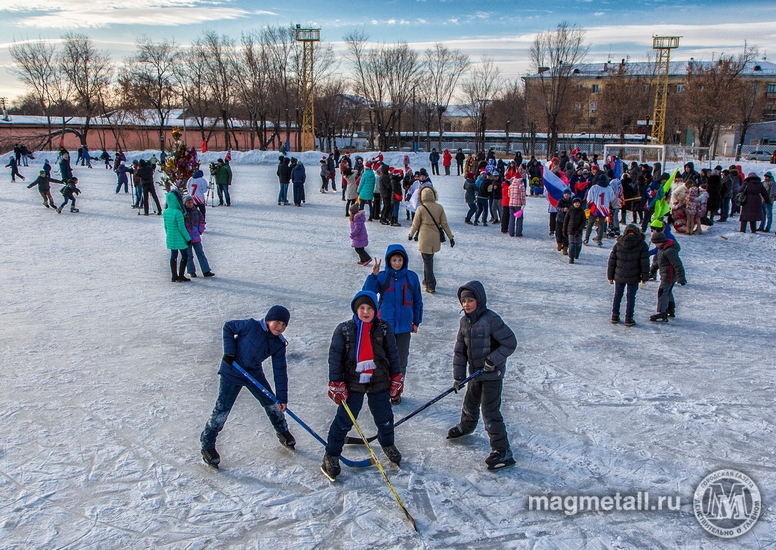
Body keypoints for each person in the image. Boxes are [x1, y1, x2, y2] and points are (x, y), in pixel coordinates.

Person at [321, 291, 403, 481]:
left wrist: (397, 376)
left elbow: (392, 353)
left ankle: (388, 443)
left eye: (369, 308)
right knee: (344, 420)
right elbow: (335, 357)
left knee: (385, 417)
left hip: (379, 379)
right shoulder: (344, 330)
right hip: (353, 382)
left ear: (375, 310)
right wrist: (335, 382)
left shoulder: (383, 328)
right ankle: (331, 455)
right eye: (362, 308)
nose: (365, 312)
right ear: (356, 310)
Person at [200, 306, 295, 468]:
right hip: (232, 371)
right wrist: (230, 353)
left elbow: (280, 370)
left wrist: (282, 398)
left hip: (253, 373)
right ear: (268, 320)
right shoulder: (251, 326)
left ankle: (282, 431)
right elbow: (228, 326)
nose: (280, 327)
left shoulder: (279, 344)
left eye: (284, 325)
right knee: (222, 409)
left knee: (272, 404)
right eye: (277, 322)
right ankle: (207, 444)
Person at [447, 280, 517, 470]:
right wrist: (458, 376)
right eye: (464, 302)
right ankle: (466, 426)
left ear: (479, 300)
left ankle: (502, 451)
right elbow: (460, 351)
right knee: (469, 403)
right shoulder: (464, 322)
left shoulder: (491, 320)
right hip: (475, 374)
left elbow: (510, 343)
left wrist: (492, 361)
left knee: (490, 412)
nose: (467, 304)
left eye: (470, 300)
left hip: (492, 376)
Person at [363, 245, 423, 404]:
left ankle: (396, 392)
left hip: (404, 328)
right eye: (394, 260)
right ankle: (381, 390)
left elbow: (417, 301)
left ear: (405, 261)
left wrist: (416, 321)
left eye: (400, 260)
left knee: (401, 361)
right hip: (384, 326)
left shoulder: (412, 277)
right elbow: (367, 295)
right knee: (382, 360)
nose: (397, 263)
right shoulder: (382, 277)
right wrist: (373, 276)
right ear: (389, 261)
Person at [408, 186, 455, 294]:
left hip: (424, 237)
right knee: (428, 259)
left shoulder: (421, 208)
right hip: (435, 237)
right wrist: (450, 237)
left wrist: (411, 234)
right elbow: (444, 224)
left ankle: (431, 284)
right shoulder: (439, 208)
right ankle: (426, 280)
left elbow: (415, 224)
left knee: (427, 261)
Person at [607, 225, 650, 326]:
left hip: (619, 275)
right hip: (634, 276)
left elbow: (612, 261)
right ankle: (629, 318)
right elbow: (645, 263)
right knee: (631, 297)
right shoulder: (642, 244)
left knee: (617, 295)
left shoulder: (618, 244)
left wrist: (610, 276)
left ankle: (615, 315)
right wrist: (645, 277)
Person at [649, 232, 686, 322]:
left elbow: (678, 264)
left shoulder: (669, 251)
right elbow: (659, 262)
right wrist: (652, 271)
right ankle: (670, 309)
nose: (655, 245)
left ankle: (662, 312)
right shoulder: (662, 249)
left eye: (656, 243)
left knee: (662, 292)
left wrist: (681, 277)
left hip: (669, 276)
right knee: (667, 292)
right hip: (666, 274)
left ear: (661, 242)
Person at [183, 195, 215, 278]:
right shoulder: (183, 213)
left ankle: (206, 270)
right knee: (189, 255)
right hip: (187, 238)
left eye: (191, 202)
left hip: (196, 237)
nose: (190, 204)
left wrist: (200, 230)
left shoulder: (196, 211)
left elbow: (202, 220)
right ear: (185, 203)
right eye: (188, 203)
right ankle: (191, 271)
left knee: (200, 253)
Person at [163, 190, 192, 282]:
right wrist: (188, 238)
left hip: (170, 237)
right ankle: (181, 275)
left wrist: (169, 235)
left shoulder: (166, 212)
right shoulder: (178, 212)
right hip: (180, 238)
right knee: (184, 255)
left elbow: (166, 227)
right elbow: (181, 228)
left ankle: (174, 276)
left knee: (173, 255)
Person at [584, 173, 615, 246]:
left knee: (590, 223)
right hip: (604, 208)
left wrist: (589, 205)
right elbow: (612, 198)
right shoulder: (609, 188)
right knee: (601, 224)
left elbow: (589, 198)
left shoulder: (594, 187)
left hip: (595, 207)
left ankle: (586, 238)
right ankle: (599, 239)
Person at [564, 197, 586, 264]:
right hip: (571, 230)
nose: (577, 204)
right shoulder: (570, 210)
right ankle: (571, 258)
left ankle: (577, 253)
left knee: (578, 244)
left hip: (578, 230)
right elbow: (566, 220)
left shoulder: (582, 211)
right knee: (572, 244)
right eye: (576, 203)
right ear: (573, 203)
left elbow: (583, 221)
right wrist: (564, 229)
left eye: (578, 203)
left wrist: (580, 229)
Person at [508, 172, 527, 237]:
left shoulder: (511, 186)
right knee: (519, 219)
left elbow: (509, 195)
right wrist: (523, 203)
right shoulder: (521, 186)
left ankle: (511, 232)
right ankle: (518, 233)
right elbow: (523, 196)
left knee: (511, 218)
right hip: (518, 204)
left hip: (511, 203)